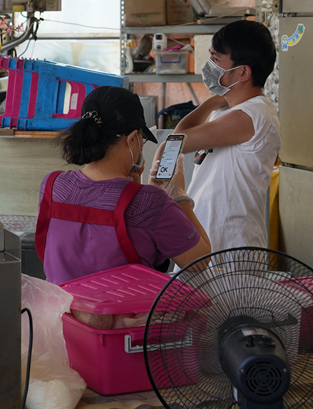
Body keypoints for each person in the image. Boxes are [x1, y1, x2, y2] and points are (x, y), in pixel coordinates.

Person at [36, 86, 211, 284]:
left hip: (61, 312)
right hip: (125, 315)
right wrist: (178, 196)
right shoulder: (151, 202)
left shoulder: (53, 185)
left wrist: (134, 188)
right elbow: (199, 261)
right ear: (132, 139)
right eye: (142, 140)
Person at [159, 20, 281, 252]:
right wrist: (216, 102)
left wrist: (214, 99)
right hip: (207, 235)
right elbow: (177, 139)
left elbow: (176, 144)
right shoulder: (227, 111)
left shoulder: (252, 114)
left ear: (243, 72)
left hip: (230, 242)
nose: (210, 66)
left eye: (216, 60)